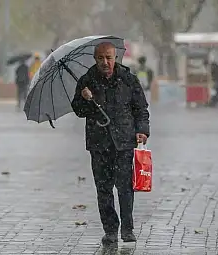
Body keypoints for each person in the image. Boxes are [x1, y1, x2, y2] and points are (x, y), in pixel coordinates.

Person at [71, 42, 150, 245]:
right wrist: (84, 98)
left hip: (124, 142)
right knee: (103, 189)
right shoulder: (87, 81)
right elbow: (78, 110)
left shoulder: (128, 80)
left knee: (125, 188)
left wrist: (142, 130)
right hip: (99, 144)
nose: (105, 62)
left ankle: (127, 228)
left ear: (115, 58)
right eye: (100, 58)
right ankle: (110, 230)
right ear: (95, 59)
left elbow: (140, 108)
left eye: (109, 58)